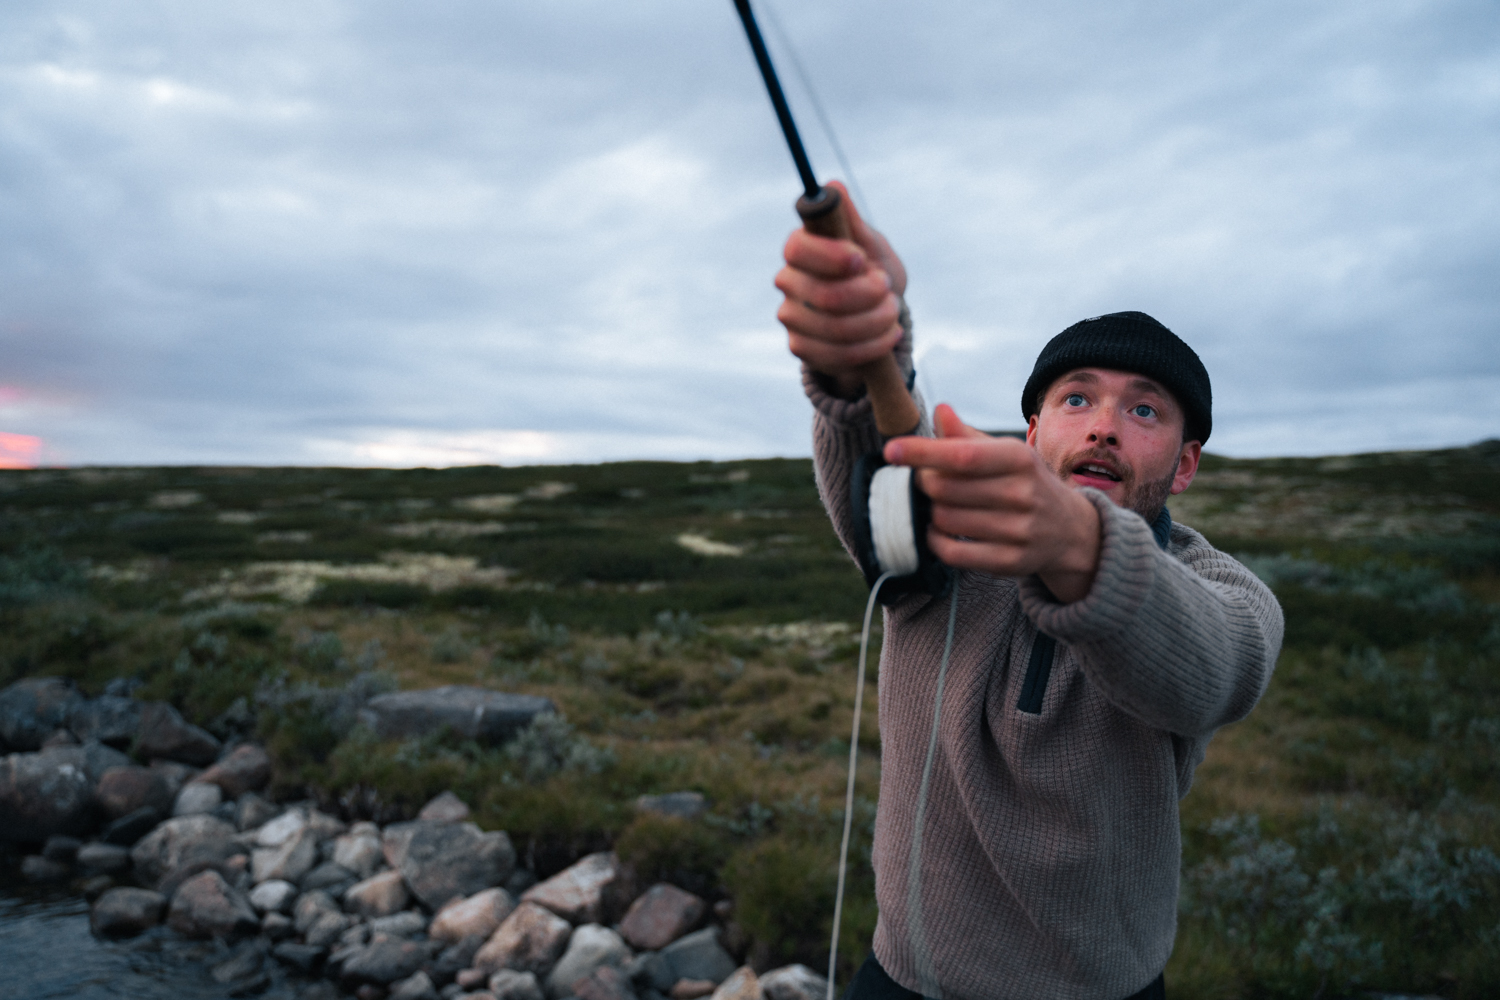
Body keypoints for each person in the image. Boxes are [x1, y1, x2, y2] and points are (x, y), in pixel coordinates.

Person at [774, 183, 1285, 1000]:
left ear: (1185, 466)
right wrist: (856, 358)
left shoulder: (1225, 593)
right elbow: (879, 462)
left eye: (1145, 411)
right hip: (904, 980)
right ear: (1034, 429)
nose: (1104, 426)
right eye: (1076, 398)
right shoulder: (952, 537)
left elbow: (1219, 665)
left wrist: (1076, 545)